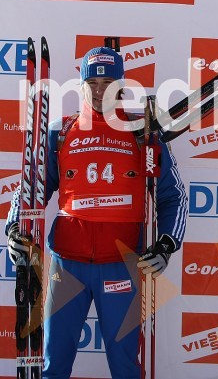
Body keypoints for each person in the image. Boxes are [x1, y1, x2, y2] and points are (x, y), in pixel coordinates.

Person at [5, 46, 187, 379]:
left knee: (125, 365)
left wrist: (166, 245)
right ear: (81, 85)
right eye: (92, 82)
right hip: (66, 265)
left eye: (109, 81)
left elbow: (173, 196)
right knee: (53, 362)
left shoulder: (144, 134)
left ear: (121, 84)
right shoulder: (61, 133)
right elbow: (31, 189)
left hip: (121, 266)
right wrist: (14, 227)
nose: (100, 89)